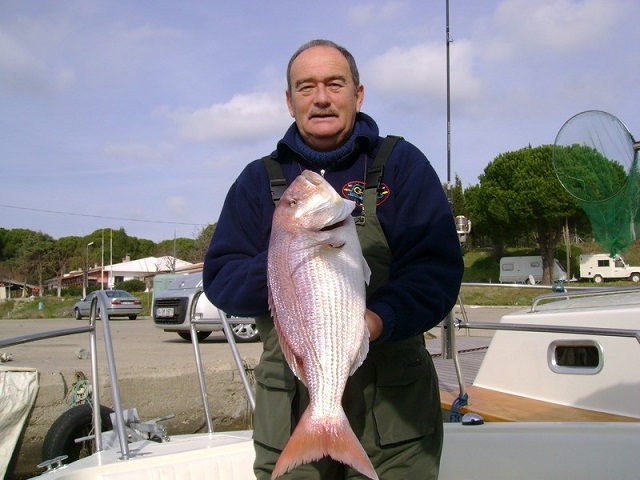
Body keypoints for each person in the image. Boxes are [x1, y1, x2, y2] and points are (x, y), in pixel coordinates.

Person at [203, 39, 464, 479]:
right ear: (289, 102)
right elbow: (222, 279)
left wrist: (377, 320)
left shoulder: (401, 166)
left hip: (395, 417)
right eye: (306, 87)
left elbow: (435, 272)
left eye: (334, 84)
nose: (321, 98)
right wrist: (288, 260)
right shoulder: (255, 180)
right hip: (289, 407)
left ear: (357, 94)